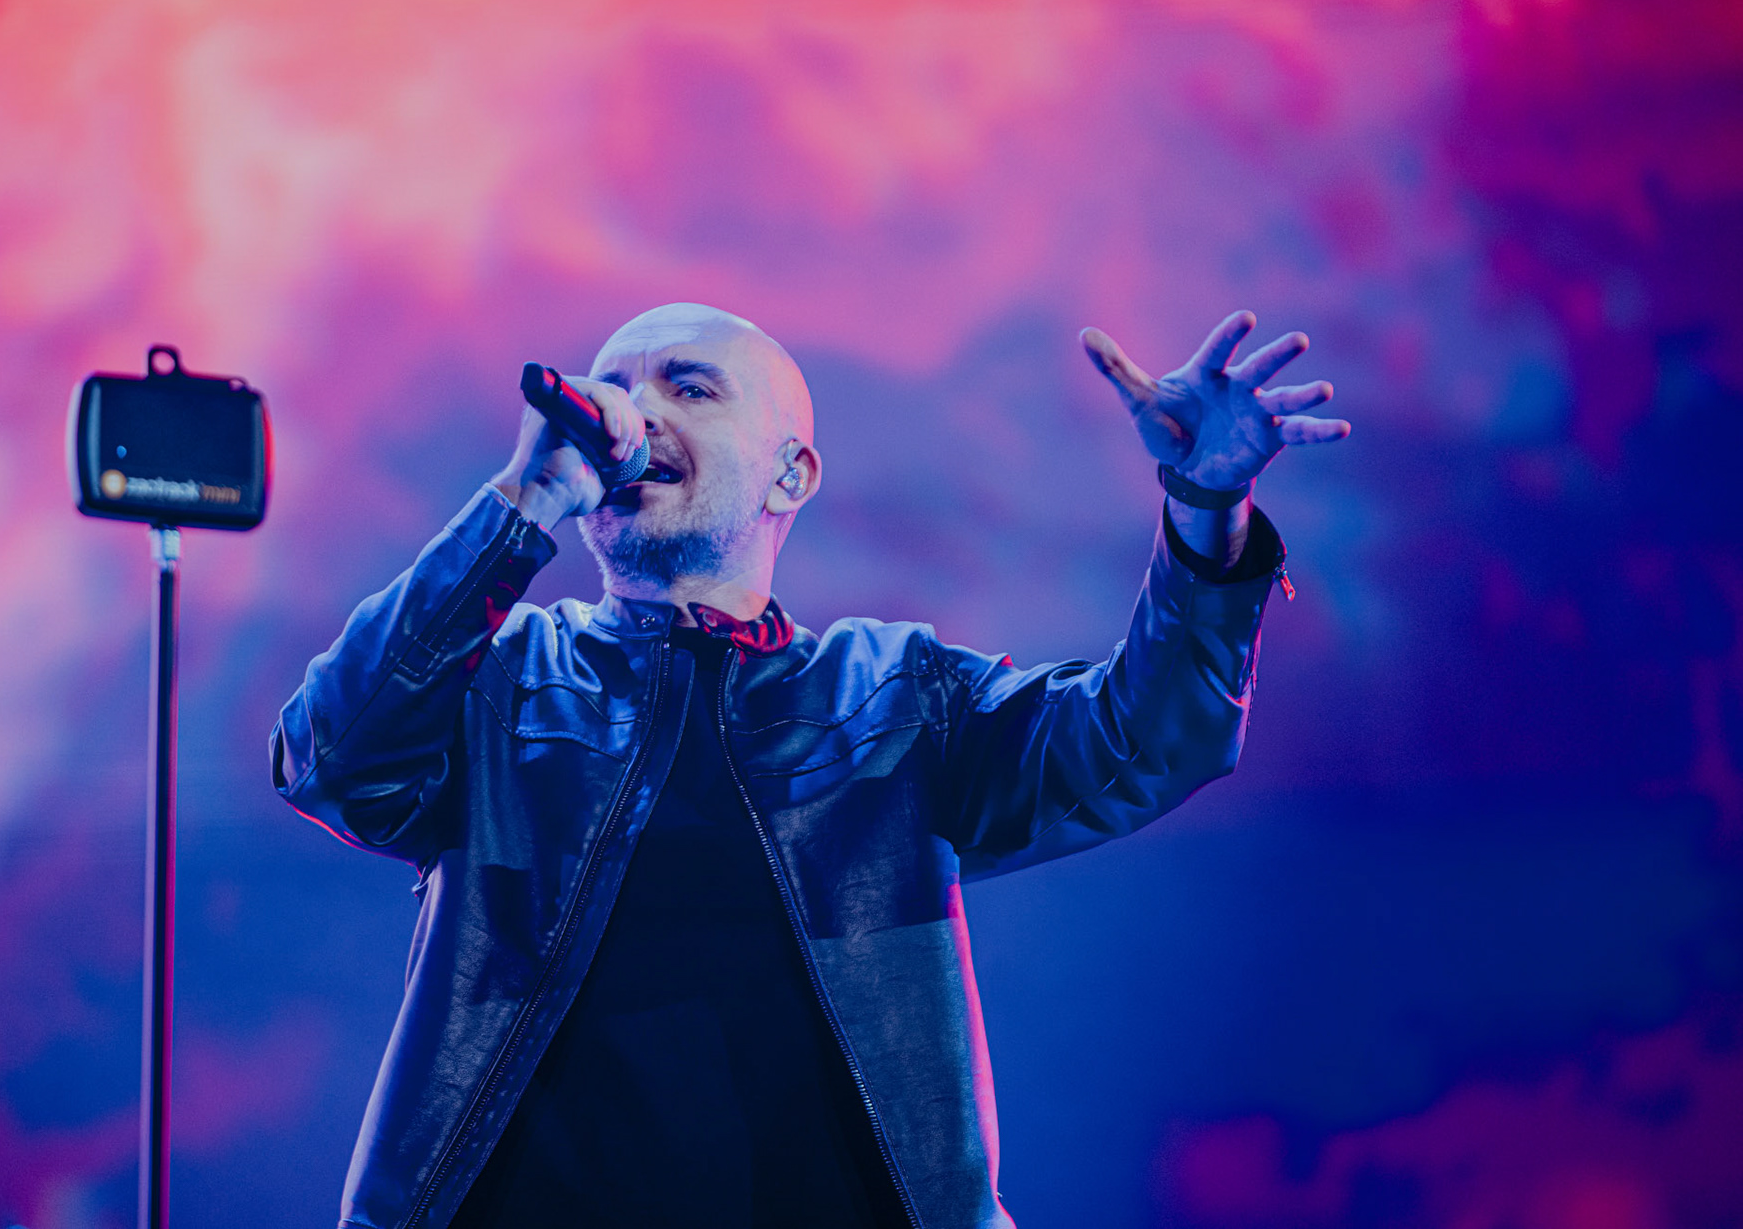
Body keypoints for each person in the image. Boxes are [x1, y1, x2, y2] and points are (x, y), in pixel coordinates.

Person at [271, 302, 1349, 1229]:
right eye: (618, 389)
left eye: (689, 388)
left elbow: (1147, 741)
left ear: (791, 472)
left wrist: (1205, 510)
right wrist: (521, 501)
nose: (634, 416)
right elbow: (330, 760)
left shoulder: (896, 696)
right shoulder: (505, 680)